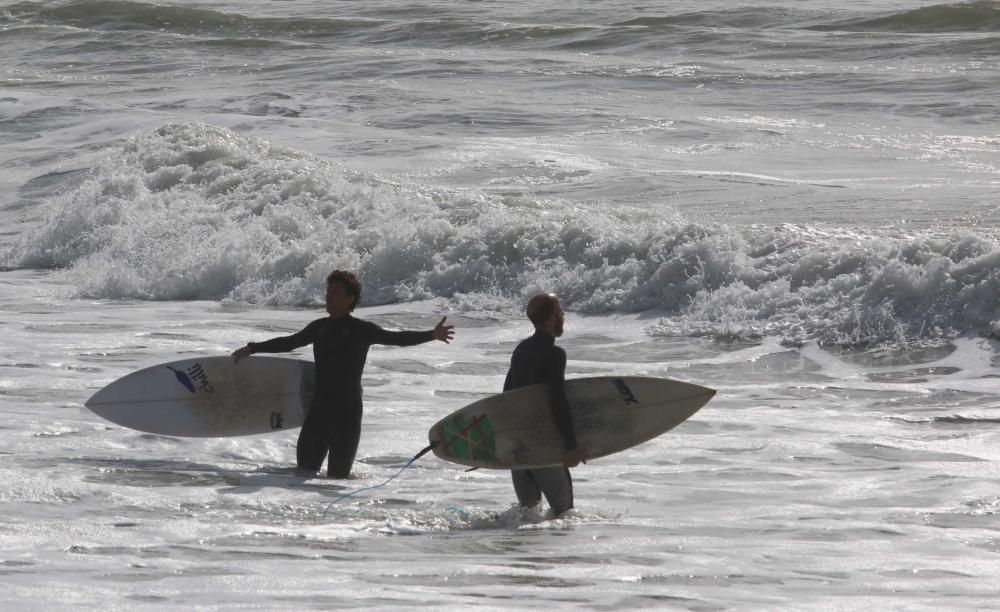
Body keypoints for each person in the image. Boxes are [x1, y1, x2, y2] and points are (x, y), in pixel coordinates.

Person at [232, 270, 455, 478]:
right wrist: (253, 348)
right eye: (328, 292)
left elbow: (396, 338)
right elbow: (290, 342)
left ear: (350, 299)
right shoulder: (319, 328)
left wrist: (431, 335)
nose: (328, 296)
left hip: (347, 415)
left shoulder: (361, 330)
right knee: (302, 476)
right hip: (318, 413)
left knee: (337, 481)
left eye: (335, 293)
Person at [503, 292, 586, 517]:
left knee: (527, 517)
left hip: (518, 450)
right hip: (543, 447)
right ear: (551, 318)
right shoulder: (554, 354)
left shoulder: (521, 350)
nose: (563, 316)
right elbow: (557, 400)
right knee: (564, 515)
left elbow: (507, 395)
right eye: (560, 312)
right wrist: (571, 446)